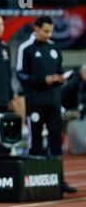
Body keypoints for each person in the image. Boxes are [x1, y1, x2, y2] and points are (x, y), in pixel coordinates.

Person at [16, 15, 77, 194]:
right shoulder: (25, 48)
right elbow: (21, 75)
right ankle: (35, 182)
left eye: (50, 31)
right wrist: (43, 80)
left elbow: (59, 70)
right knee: (35, 141)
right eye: (45, 31)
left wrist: (59, 78)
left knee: (55, 141)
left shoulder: (54, 48)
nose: (48, 34)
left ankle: (59, 180)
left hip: (53, 102)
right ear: (36, 28)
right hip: (35, 102)